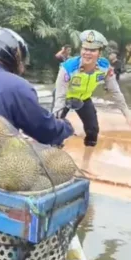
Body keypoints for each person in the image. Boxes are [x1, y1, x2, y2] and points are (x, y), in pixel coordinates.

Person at [0, 27, 74, 147]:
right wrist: (65, 127)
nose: (23, 65)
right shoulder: (18, 85)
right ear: (15, 54)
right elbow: (43, 130)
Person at [53, 30, 131, 173]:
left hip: (84, 98)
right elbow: (59, 97)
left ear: (99, 53)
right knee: (55, 129)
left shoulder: (104, 67)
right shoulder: (68, 68)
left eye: (93, 50)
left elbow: (115, 92)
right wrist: (56, 119)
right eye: (85, 49)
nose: (87, 53)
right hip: (65, 98)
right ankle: (52, 162)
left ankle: (85, 165)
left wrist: (127, 113)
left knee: (93, 129)